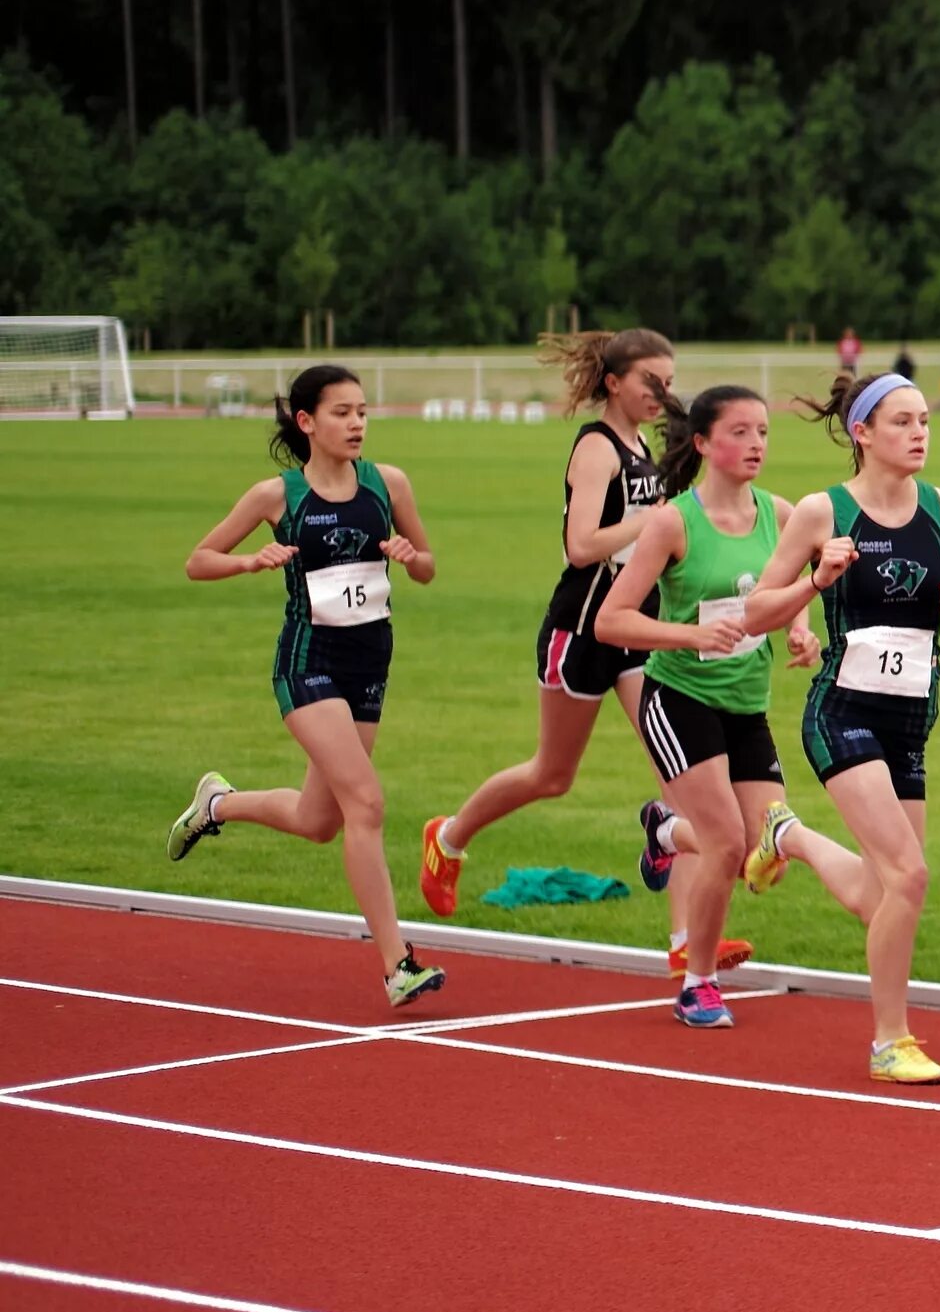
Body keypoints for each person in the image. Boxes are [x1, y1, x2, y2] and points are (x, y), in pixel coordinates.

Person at [420, 330, 749, 969]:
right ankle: (450, 837)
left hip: (635, 631)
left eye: (670, 381)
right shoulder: (597, 450)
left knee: (679, 784)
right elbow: (581, 546)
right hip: (581, 629)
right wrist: (659, 522)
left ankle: (685, 943)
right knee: (553, 774)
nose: (663, 394)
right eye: (651, 381)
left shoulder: (646, 450)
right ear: (614, 384)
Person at [167, 364, 448, 1010]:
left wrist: (411, 559)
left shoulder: (388, 483)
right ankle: (396, 965)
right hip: (307, 662)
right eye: (342, 412)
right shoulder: (277, 496)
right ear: (306, 422)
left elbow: (429, 567)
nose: (356, 423)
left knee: (319, 820)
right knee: (367, 805)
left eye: (362, 411)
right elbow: (198, 559)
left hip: (369, 665)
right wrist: (250, 560)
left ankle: (216, 805)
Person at [731, 372, 940, 1085]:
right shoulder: (822, 512)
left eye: (926, 420)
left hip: (911, 720)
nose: (920, 433)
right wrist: (815, 581)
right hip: (841, 713)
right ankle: (889, 1040)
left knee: (886, 895)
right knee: (911, 875)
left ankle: (791, 837)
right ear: (863, 433)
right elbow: (752, 616)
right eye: (902, 422)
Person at [593, 385, 812, 1033]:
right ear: (704, 444)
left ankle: (664, 829)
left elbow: (783, 594)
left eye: (764, 433)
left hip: (747, 702)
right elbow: (612, 620)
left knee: (763, 851)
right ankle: (698, 984)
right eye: (740, 433)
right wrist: (692, 634)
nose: (755, 445)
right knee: (724, 846)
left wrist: (799, 630)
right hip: (678, 696)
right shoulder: (671, 522)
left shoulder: (782, 514)